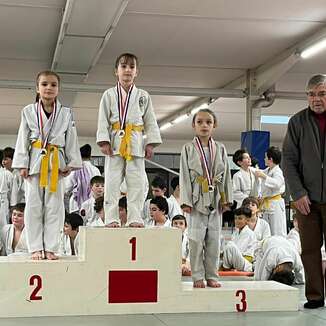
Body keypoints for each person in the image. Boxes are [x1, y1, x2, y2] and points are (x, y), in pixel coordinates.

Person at [12, 70, 82, 260]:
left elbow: (70, 138)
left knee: (55, 206)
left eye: (53, 84)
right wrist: (22, 164)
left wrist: (70, 163)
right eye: (44, 84)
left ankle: (51, 247)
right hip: (35, 161)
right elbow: (23, 138)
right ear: (37, 88)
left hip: (56, 162)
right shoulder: (28, 111)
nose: (48, 88)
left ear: (58, 89)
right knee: (33, 205)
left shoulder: (66, 113)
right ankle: (35, 247)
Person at [97, 53, 162, 228]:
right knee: (111, 182)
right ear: (116, 71)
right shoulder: (109, 95)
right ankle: (111, 217)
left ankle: (135, 217)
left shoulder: (143, 95)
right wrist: (103, 141)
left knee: (137, 183)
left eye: (131, 67)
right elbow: (102, 119)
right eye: (123, 66)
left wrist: (150, 143)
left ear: (137, 72)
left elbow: (150, 120)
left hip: (136, 142)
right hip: (115, 142)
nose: (127, 70)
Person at [282, 74, 326, 308]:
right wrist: (297, 193)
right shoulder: (297, 122)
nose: (316, 99)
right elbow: (288, 160)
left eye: (322, 93)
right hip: (305, 199)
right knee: (309, 249)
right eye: (311, 94)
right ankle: (315, 297)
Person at [180, 108, 232, 288]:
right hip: (196, 198)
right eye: (200, 122)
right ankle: (197, 276)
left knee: (214, 239)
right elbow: (184, 176)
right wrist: (185, 201)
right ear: (193, 125)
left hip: (216, 197)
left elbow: (226, 177)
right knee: (195, 239)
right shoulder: (188, 148)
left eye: (208, 122)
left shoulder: (221, 148)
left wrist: (226, 199)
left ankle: (212, 275)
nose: (204, 125)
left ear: (214, 126)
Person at [254, 146, 287, 237]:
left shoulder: (277, 171)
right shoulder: (268, 170)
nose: (264, 159)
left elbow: (278, 184)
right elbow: (258, 172)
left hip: (275, 204)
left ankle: (278, 249)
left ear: (270, 159)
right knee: (267, 230)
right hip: (267, 204)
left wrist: (263, 176)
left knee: (277, 230)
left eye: (265, 157)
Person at [65, 144, 101, 213]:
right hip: (92, 205)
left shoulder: (74, 170)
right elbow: (100, 187)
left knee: (76, 223)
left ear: (79, 156)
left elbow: (66, 188)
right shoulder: (95, 170)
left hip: (76, 205)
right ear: (90, 157)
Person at [222, 207, 257, 272]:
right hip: (235, 262)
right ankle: (226, 267)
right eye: (235, 218)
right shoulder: (235, 233)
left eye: (240, 218)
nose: (237, 221)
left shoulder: (251, 234)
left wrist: (235, 259)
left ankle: (226, 268)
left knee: (230, 245)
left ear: (247, 220)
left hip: (245, 264)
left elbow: (250, 257)